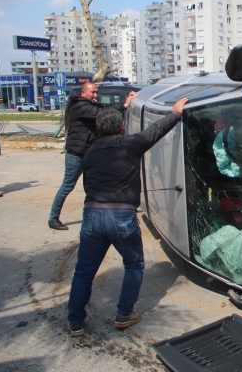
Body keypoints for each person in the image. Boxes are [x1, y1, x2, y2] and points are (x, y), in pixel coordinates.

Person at [66, 96, 188, 337]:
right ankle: (123, 314)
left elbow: (88, 185)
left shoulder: (89, 153)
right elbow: (156, 130)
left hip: (91, 214)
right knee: (133, 265)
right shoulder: (129, 144)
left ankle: (75, 322)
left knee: (84, 272)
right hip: (121, 215)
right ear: (121, 127)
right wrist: (175, 113)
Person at [48, 83, 137, 230]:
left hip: (89, 152)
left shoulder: (90, 104)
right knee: (67, 186)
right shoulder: (78, 106)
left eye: (96, 92)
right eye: (93, 92)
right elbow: (101, 114)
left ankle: (91, 216)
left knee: (91, 187)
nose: (95, 95)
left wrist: (124, 102)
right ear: (83, 92)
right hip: (76, 154)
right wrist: (125, 104)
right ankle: (53, 218)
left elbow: (102, 108)